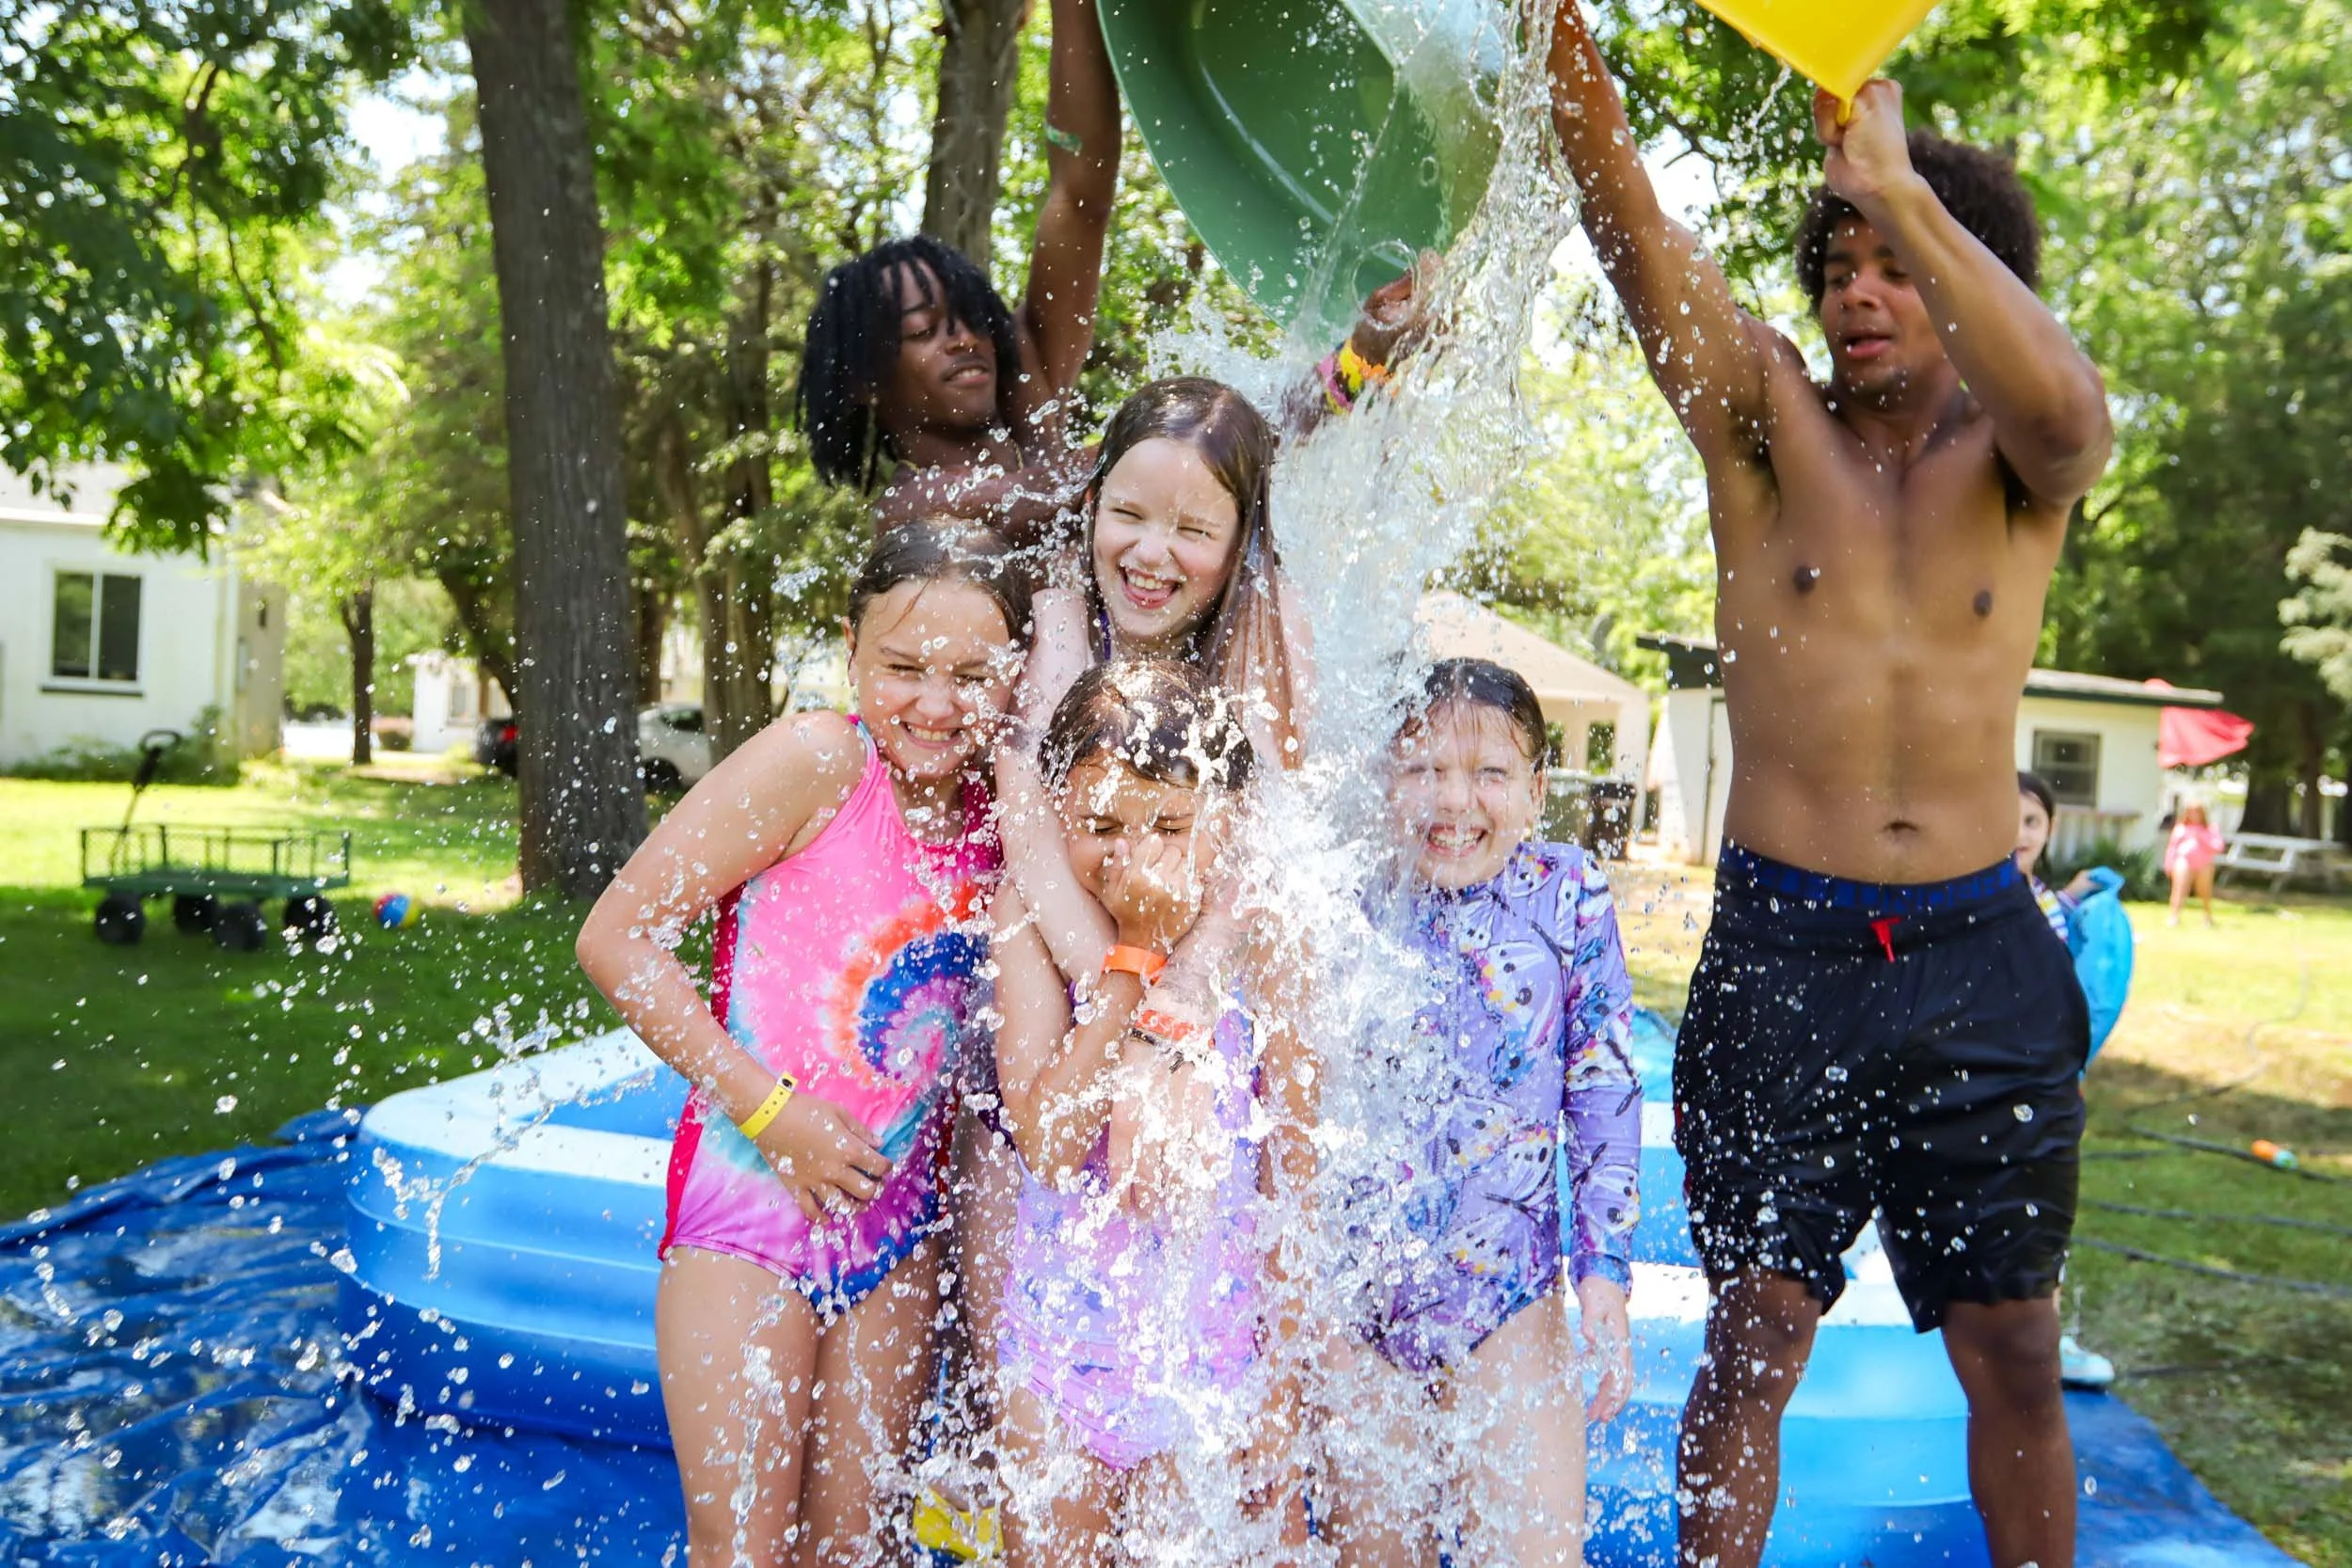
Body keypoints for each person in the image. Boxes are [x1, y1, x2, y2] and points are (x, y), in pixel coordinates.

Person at [1545, 3, 2115, 1562]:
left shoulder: (2018, 457)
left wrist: (1902, 185)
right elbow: (1628, 222)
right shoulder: (1763, 421)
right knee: (1755, 1334)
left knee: (2010, 1348)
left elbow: (2078, 415)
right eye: (1841, 264)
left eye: (1897, 266)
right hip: (1782, 952)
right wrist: (1558, 39)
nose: (1861, 293)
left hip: (1977, 959)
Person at [573, 525, 1031, 1565]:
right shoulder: (822, 762)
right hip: (749, 1215)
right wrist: (771, 1112)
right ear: (849, 646)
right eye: (901, 666)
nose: (933, 703)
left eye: (973, 674)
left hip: (894, 1234)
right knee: (741, 1551)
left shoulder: (999, 812)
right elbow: (614, 936)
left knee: (854, 1548)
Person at [988, 658, 1313, 1563]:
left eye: (1171, 823)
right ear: (1057, 812)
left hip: (1209, 1354)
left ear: (1230, 819)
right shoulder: (1032, 917)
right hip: (1060, 1348)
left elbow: (1293, 1179)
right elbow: (1051, 1148)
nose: (1134, 855)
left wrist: (1281, 1392)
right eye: (1100, 826)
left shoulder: (1267, 935)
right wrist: (1134, 958)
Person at [1317, 658, 1641, 1568]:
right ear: (1386, 780)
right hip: (1361, 1303)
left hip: (1508, 1299)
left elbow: (1604, 1084)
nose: (1452, 799)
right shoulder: (1349, 896)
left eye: (1489, 773)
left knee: (1538, 1552)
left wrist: (1603, 1270)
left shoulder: (1568, 892)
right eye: (1422, 769)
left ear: (1537, 791)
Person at [795, 0, 1122, 547]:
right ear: (864, 382)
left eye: (972, 318)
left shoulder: (1027, 383)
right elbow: (1063, 490)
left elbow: (1080, 197)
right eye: (925, 330)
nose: (966, 337)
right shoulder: (911, 509)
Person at [2015, 771, 2128, 1392]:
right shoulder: (1969, 906)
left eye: (2031, 821)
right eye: (2006, 817)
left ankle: (2047, 1336)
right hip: (1981, 1091)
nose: (2018, 832)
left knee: (2044, 1220)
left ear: (2049, 829)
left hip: (2045, 1091)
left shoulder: (2056, 909)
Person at [2166, 800, 2224, 927]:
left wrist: (2201, 837)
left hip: (2204, 862)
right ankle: (2174, 916)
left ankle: (2207, 916)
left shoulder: (2210, 828)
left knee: (2204, 890)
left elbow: (2218, 847)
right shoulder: (2180, 828)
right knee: (2179, 888)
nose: (2194, 814)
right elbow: (2172, 847)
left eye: (2197, 811)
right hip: (2184, 860)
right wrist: (2169, 864)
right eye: (2191, 811)